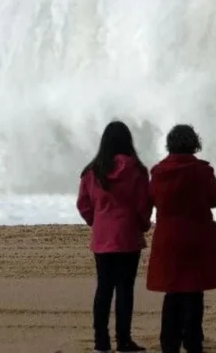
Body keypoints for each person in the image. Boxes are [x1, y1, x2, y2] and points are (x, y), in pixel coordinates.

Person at [146, 124, 216, 353]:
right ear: (194, 143)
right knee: (194, 291)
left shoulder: (158, 172)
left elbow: (151, 198)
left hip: (168, 237)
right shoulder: (201, 171)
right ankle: (193, 341)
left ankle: (168, 342)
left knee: (172, 291)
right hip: (197, 236)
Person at [76, 120, 152, 353]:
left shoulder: (92, 171)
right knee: (125, 290)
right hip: (128, 235)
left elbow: (83, 204)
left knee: (104, 289)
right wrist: (142, 224)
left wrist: (95, 221)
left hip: (102, 237)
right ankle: (124, 340)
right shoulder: (137, 170)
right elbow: (143, 204)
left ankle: (101, 342)